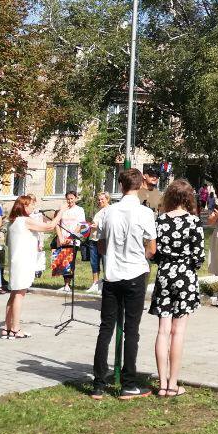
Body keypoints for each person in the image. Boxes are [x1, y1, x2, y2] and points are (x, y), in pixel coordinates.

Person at [91, 168, 157, 400]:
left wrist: (111, 254)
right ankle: (129, 382)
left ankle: (98, 383)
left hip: (112, 274)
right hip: (135, 273)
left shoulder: (108, 212)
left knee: (106, 328)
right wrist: (141, 257)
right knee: (132, 330)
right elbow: (152, 247)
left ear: (120, 186)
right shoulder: (144, 213)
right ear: (139, 186)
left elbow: (100, 244)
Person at [150, 180, 205, 398]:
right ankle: (173, 384)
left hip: (164, 274)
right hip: (185, 275)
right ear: (188, 197)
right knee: (178, 331)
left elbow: (154, 252)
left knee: (162, 330)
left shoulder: (160, 220)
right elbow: (199, 256)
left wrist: (165, 262)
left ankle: (162, 383)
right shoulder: (194, 222)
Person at [3, 195, 58, 339]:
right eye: (31, 205)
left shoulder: (14, 221)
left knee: (14, 295)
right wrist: (61, 212)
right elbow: (50, 227)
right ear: (24, 206)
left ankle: (7, 328)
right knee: (20, 295)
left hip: (17, 261)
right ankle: (15, 328)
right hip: (23, 262)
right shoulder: (25, 221)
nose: (33, 208)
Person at [55, 190, 88, 291]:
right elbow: (57, 223)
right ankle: (65, 283)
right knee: (62, 262)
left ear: (76, 198)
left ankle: (68, 285)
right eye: (68, 199)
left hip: (73, 240)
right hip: (62, 239)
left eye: (71, 199)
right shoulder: (62, 209)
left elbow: (81, 225)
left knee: (70, 262)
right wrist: (60, 237)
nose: (69, 201)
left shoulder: (79, 210)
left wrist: (71, 237)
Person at [85, 191, 111, 294]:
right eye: (99, 199)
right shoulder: (99, 211)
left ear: (107, 199)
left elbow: (109, 224)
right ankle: (95, 283)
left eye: (102, 199)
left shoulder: (110, 210)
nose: (100, 201)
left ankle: (106, 283)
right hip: (93, 239)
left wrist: (98, 225)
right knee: (94, 262)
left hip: (104, 240)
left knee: (106, 262)